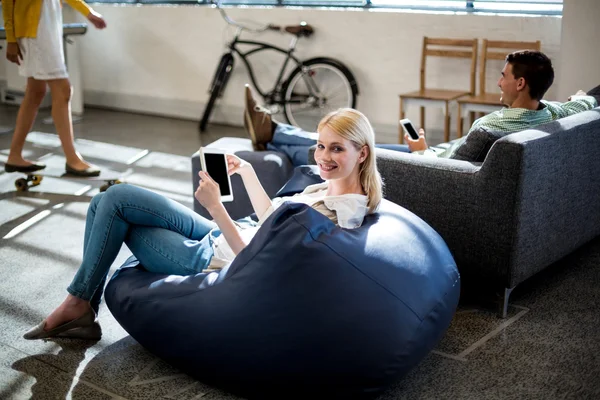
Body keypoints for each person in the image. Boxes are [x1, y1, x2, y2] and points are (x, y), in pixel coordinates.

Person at [23, 108, 384, 340]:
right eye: (321, 146)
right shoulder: (327, 187)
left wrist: (216, 208)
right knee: (110, 198)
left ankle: (78, 303)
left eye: (337, 149)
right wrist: (247, 173)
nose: (323, 156)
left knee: (112, 206)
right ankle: (80, 305)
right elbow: (273, 221)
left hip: (208, 258)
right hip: (222, 237)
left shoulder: (339, 212)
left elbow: (257, 262)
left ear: (362, 152)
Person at [244, 50, 598, 164]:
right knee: (355, 140)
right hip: (435, 154)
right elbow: (588, 99)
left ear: (520, 84)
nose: (498, 82)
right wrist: (580, 98)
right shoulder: (552, 113)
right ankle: (274, 133)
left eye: (503, 76)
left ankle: (273, 133)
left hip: (426, 164)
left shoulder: (495, 126)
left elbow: (449, 172)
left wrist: (421, 152)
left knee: (346, 149)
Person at [2, 0, 107, 176]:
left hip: (47, 28)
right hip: (35, 33)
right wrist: (11, 39)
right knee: (63, 90)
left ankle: (14, 155)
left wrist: (88, 12)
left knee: (35, 93)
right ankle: (72, 158)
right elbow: (7, 2)